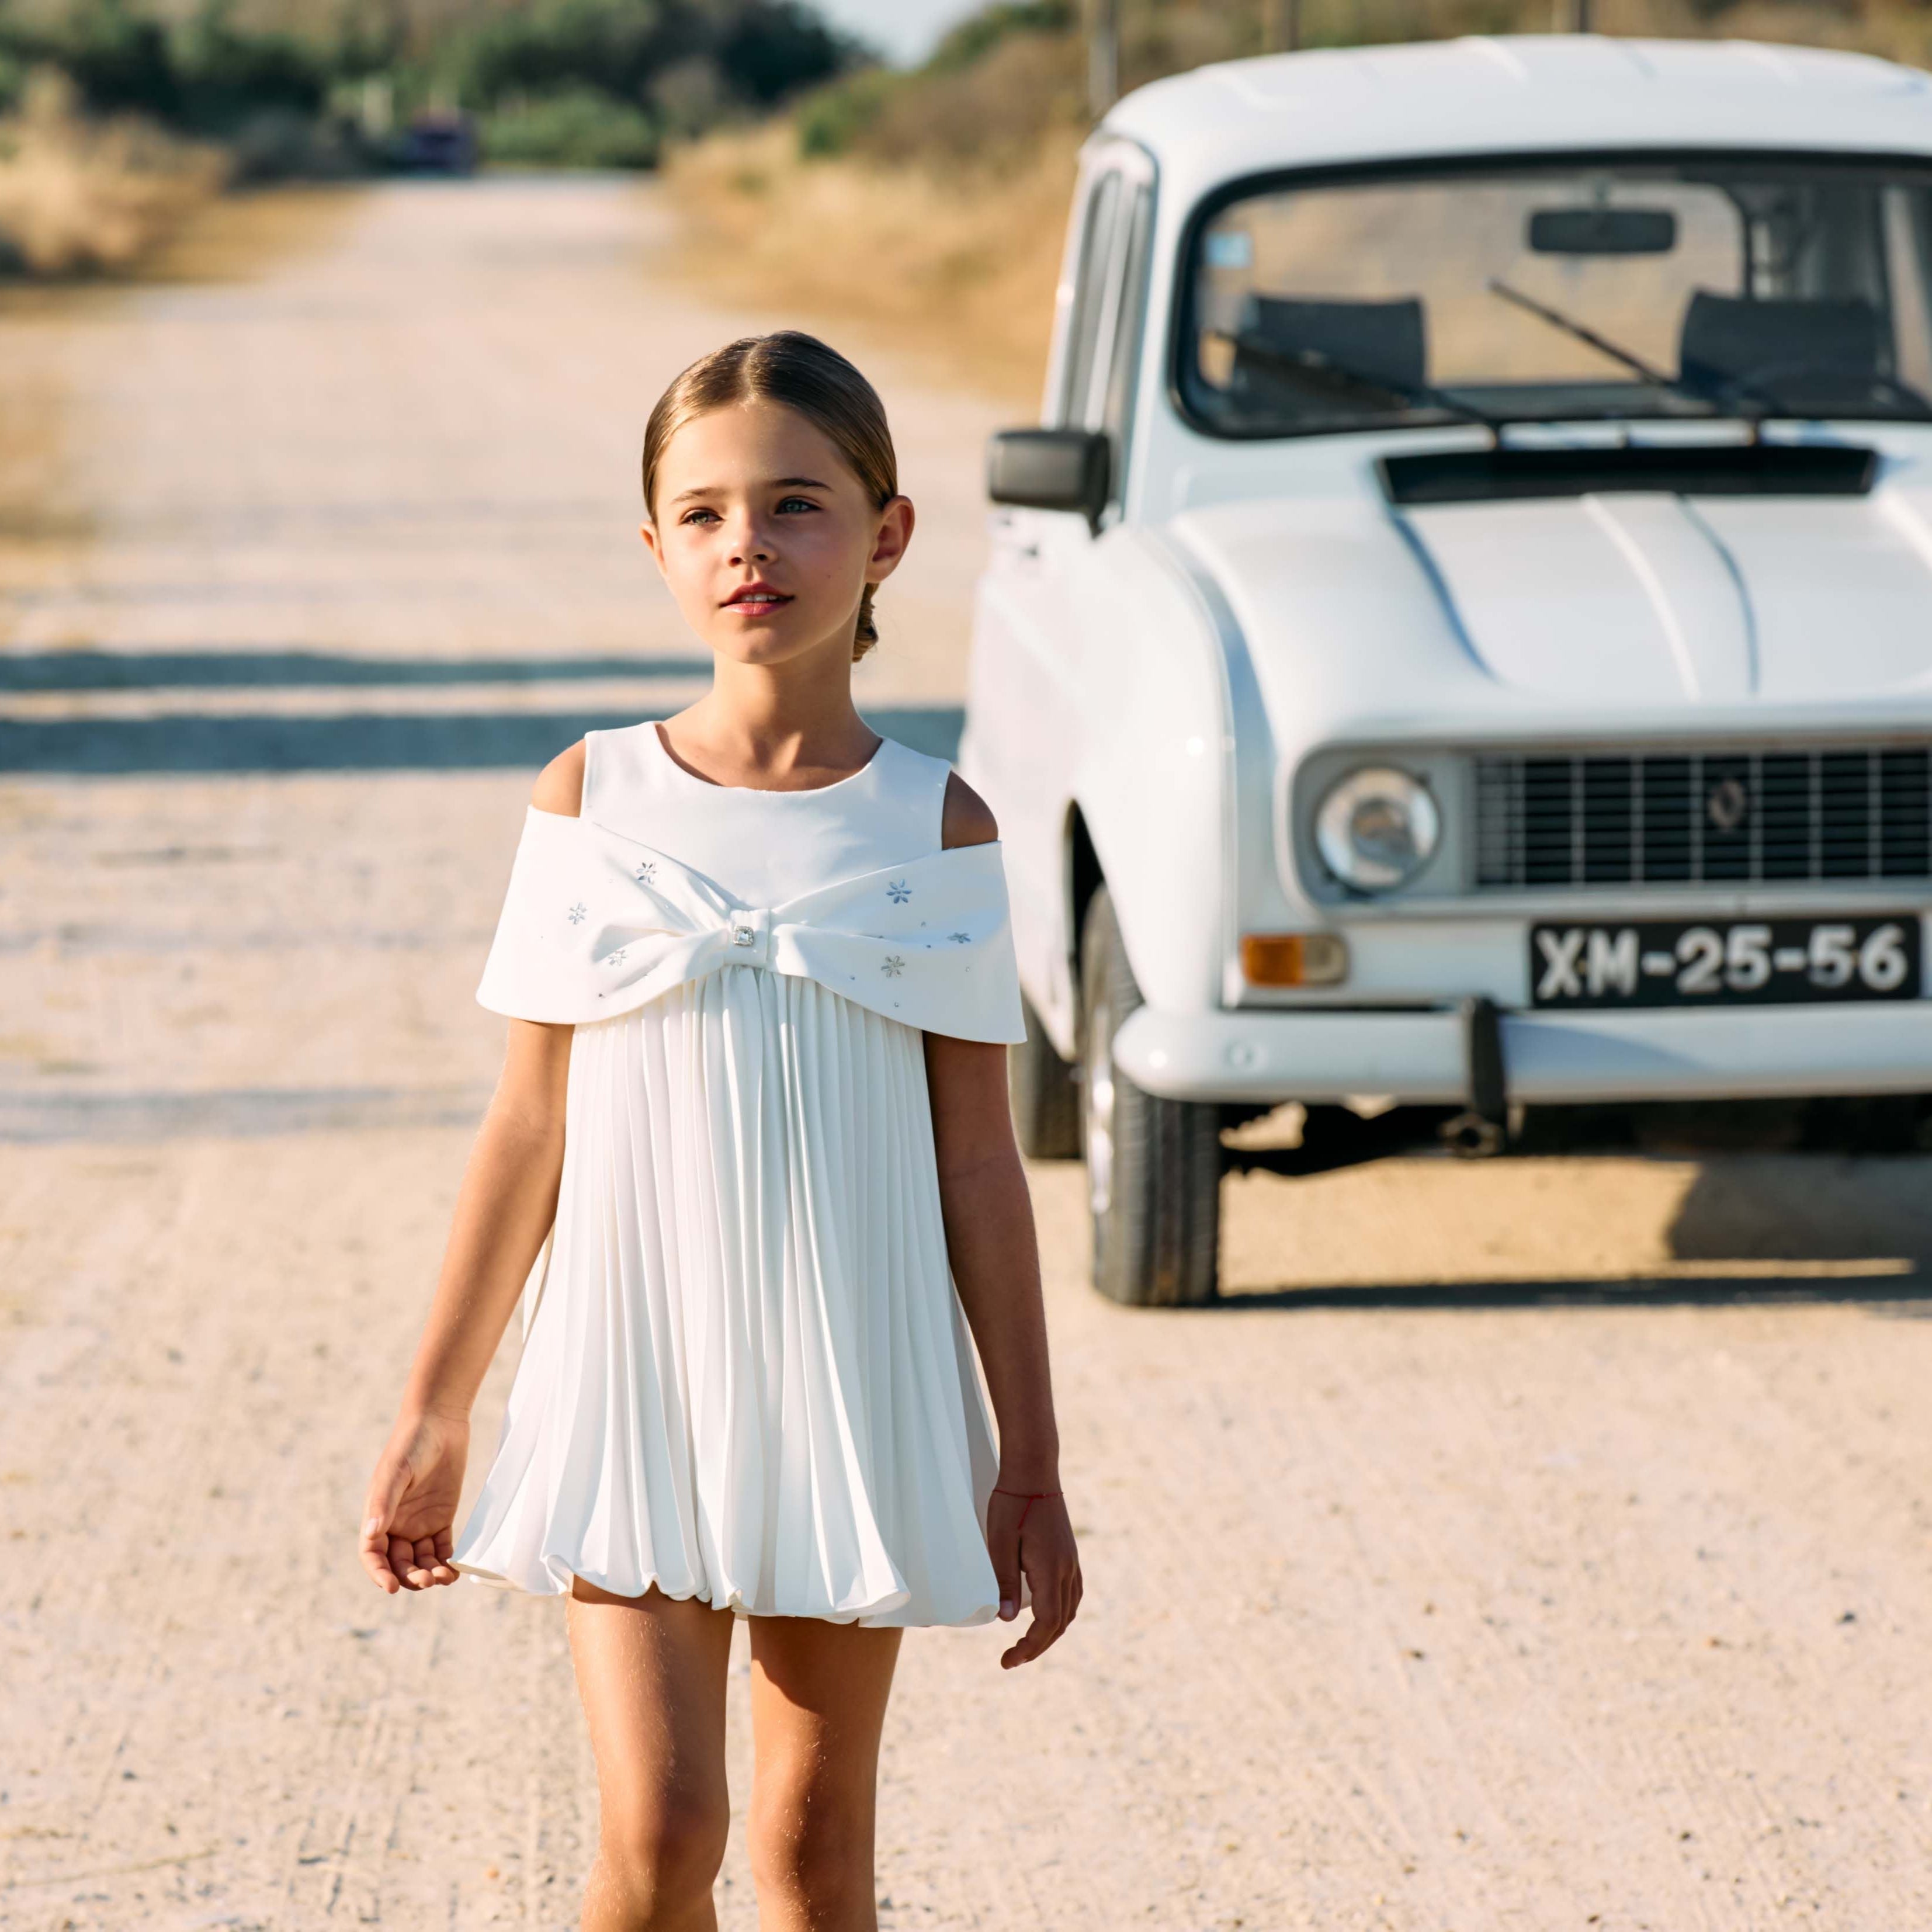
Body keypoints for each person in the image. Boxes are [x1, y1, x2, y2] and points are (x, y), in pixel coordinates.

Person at [357, 329, 1080, 1932]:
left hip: (850, 1385)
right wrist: (434, 1408)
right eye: (701, 514)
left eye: (797, 504)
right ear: (655, 547)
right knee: (663, 1827)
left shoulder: (936, 821)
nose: (747, 545)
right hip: (640, 1374)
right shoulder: (590, 796)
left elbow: (979, 1160)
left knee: (814, 1863)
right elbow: (525, 1126)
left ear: (887, 535)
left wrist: (1028, 1454)